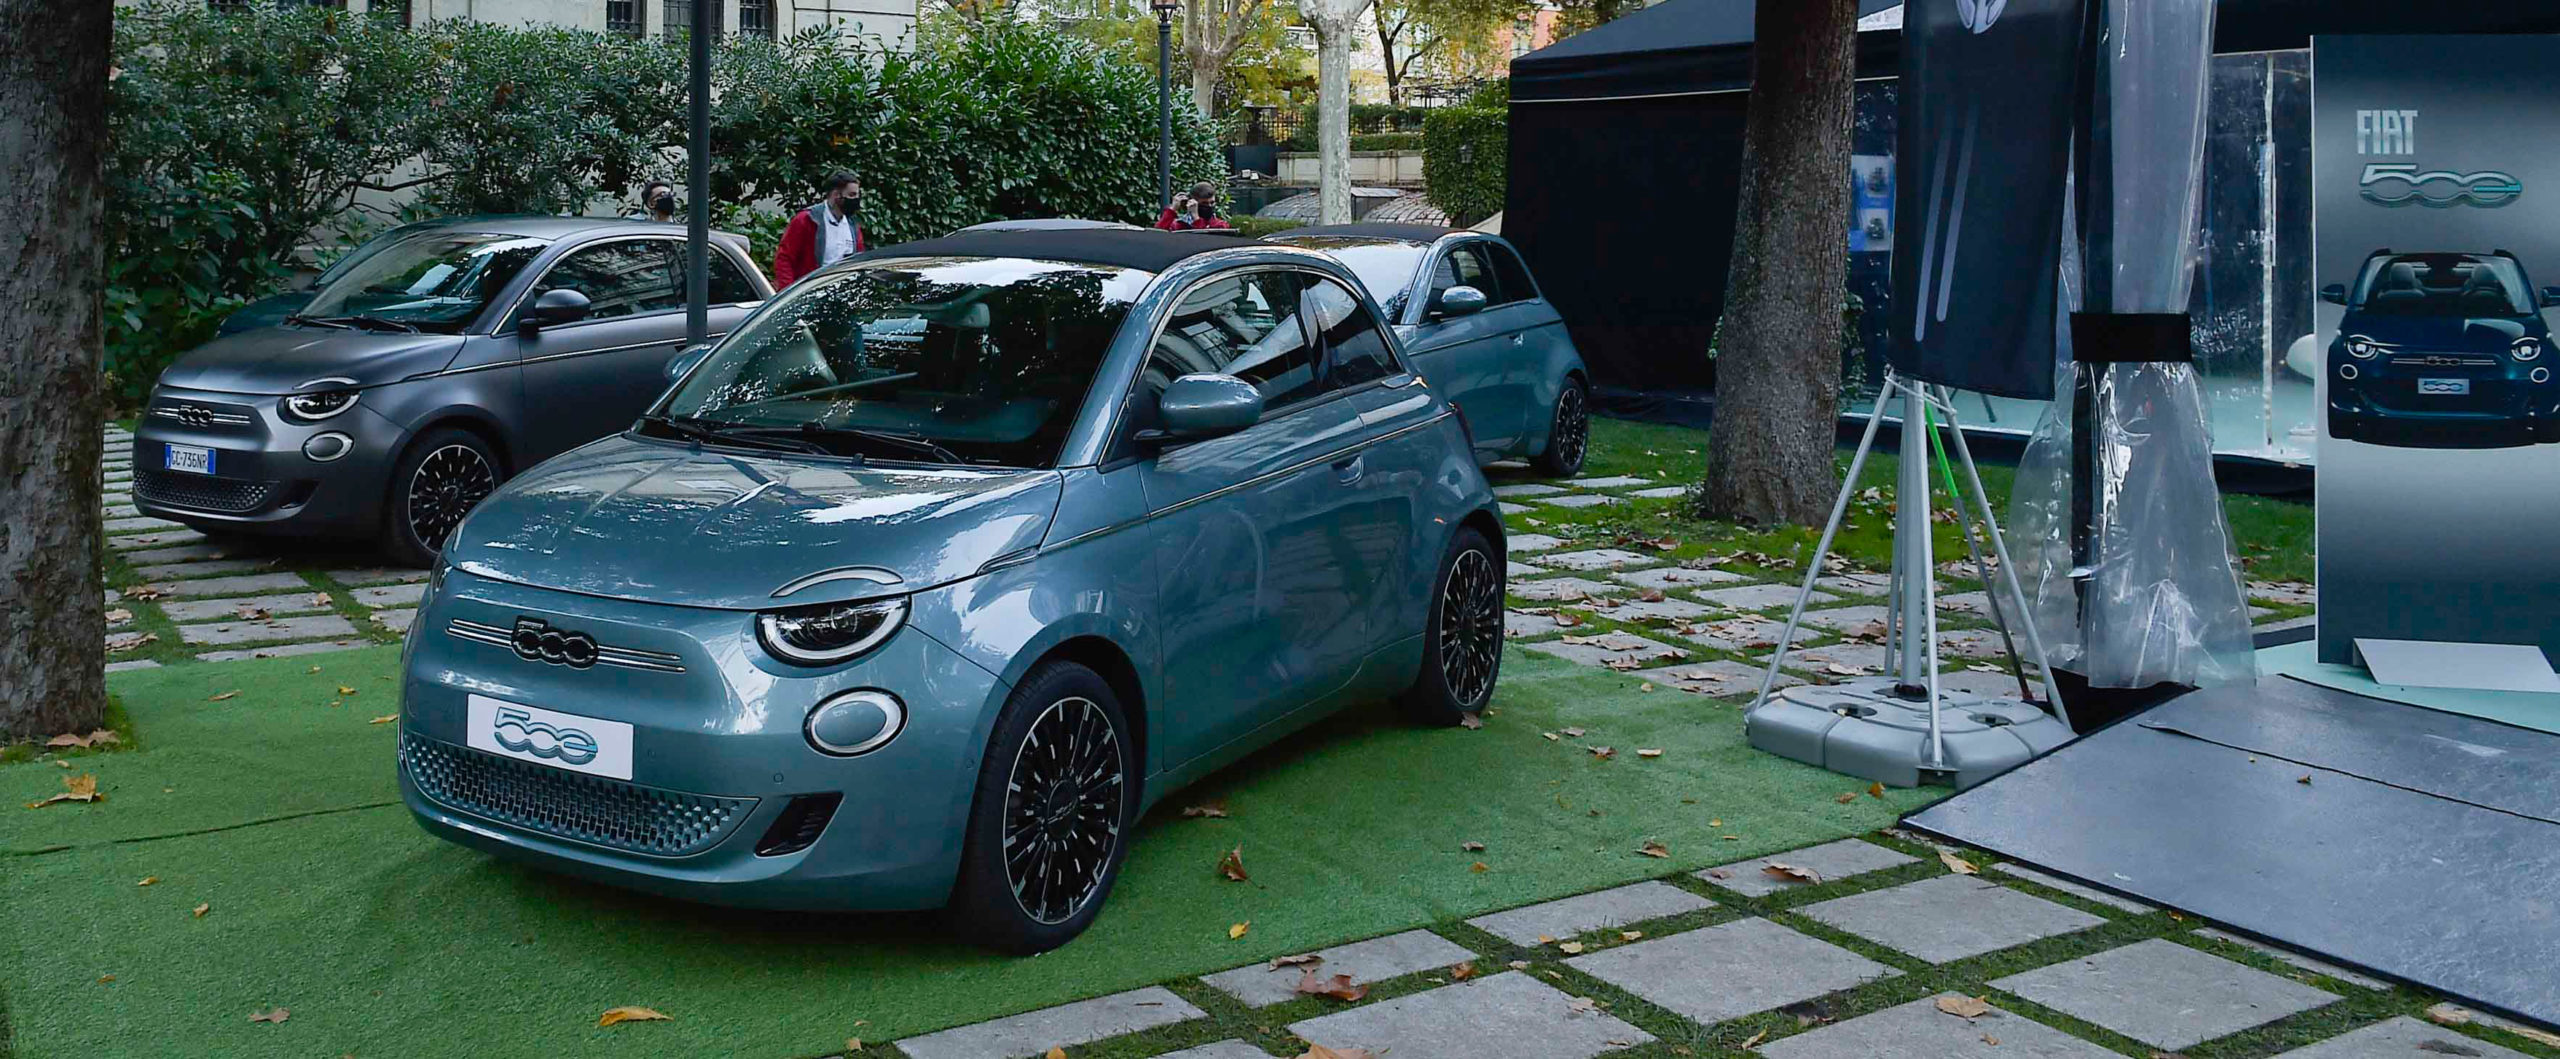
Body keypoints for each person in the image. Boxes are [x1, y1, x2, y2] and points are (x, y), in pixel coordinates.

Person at [773, 172, 868, 288]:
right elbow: (784, 258)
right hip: (809, 292)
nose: (856, 200)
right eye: (852, 195)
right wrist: (787, 293)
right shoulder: (807, 220)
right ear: (836, 194)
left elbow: (858, 260)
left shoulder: (852, 225)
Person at [1156, 183, 1233, 231]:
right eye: (1204, 203)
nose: (1209, 206)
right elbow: (1158, 234)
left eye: (1212, 202)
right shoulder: (1180, 224)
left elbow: (1205, 240)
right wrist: (1172, 209)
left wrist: (1196, 218)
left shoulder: (1220, 225)